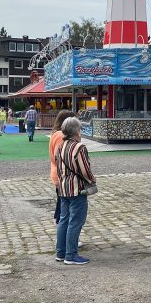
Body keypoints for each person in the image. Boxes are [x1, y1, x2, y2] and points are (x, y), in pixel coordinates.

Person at [55, 117, 95, 265]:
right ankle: (71, 255)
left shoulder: (61, 146)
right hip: (77, 189)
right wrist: (92, 180)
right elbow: (85, 170)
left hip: (63, 188)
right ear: (76, 130)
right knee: (76, 221)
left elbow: (58, 167)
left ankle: (60, 252)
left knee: (64, 220)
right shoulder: (79, 147)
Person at [49, 110, 76, 227]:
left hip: (57, 173)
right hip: (62, 174)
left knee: (62, 205)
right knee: (64, 209)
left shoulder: (56, 133)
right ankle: (64, 237)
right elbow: (59, 156)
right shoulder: (61, 135)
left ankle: (63, 235)